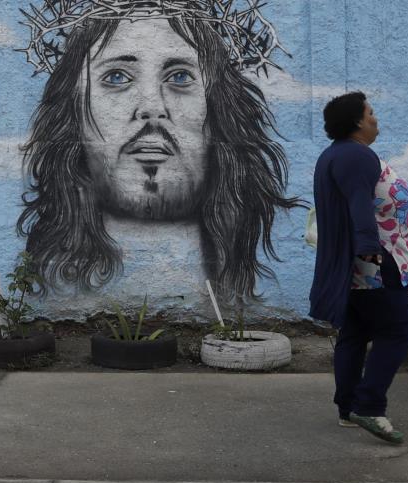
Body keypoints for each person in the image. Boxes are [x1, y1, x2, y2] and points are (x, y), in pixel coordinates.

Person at [17, 1, 300, 299]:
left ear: (218, 111)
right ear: (73, 112)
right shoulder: (52, 281)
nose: (152, 107)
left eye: (180, 76)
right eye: (116, 77)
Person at [309, 92, 408, 444]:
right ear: (358, 122)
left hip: (362, 260)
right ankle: (370, 405)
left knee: (356, 332)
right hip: (376, 260)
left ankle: (347, 408)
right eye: (371, 113)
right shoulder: (357, 156)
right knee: (399, 329)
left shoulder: (337, 155)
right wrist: (369, 251)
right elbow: (360, 206)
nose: (376, 118)